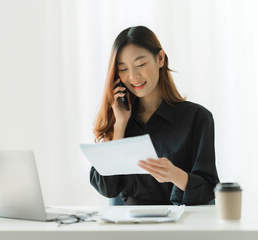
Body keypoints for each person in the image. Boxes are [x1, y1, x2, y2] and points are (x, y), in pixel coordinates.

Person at [90, 26, 219, 205]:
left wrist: (175, 175)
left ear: (160, 59)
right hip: (131, 226)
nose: (133, 76)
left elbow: (209, 190)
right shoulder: (121, 121)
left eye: (140, 65)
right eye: (123, 69)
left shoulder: (197, 118)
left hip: (182, 226)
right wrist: (119, 125)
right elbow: (107, 188)